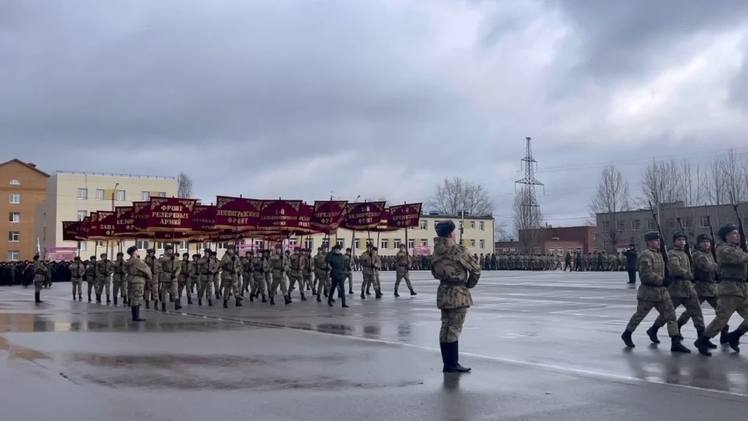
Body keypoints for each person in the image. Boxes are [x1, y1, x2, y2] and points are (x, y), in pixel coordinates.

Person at [621, 231, 690, 353]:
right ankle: (627, 334)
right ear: (648, 242)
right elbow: (646, 275)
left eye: (658, 240)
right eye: (655, 240)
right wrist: (662, 280)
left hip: (662, 292)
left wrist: (669, 277)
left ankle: (675, 342)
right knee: (639, 316)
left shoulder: (660, 255)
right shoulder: (646, 255)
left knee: (671, 315)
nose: (658, 242)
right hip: (648, 292)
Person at [431, 220, 480, 373]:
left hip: (443, 292)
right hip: (458, 293)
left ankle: (448, 363)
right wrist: (469, 285)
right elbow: (476, 270)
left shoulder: (437, 250)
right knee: (454, 328)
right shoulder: (458, 250)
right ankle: (453, 364)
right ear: (451, 233)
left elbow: (434, 271)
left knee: (445, 327)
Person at [695, 224, 748, 356]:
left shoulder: (738, 249)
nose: (737, 235)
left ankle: (735, 336)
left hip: (741, 288)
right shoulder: (722, 249)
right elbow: (739, 258)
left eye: (737, 233)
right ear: (726, 236)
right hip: (729, 288)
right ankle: (703, 340)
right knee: (722, 318)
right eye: (734, 233)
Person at [646, 232, 704, 345]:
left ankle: (701, 337)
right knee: (667, 314)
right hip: (676, 289)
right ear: (674, 242)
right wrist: (690, 275)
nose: (682, 242)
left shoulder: (686, 254)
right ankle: (654, 329)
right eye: (679, 240)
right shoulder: (672, 254)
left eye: (683, 240)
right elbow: (675, 270)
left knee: (697, 312)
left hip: (688, 289)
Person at [678, 234, 728, 346]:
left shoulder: (710, 253)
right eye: (703, 242)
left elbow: (714, 269)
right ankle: (678, 325)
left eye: (708, 242)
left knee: (722, 311)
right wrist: (719, 265)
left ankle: (724, 334)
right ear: (698, 243)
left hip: (711, 287)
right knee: (692, 311)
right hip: (700, 287)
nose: (706, 244)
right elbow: (707, 266)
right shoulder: (696, 254)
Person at [126, 245, 151, 322]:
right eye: (137, 250)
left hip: (131, 280)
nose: (138, 251)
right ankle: (136, 317)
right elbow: (146, 269)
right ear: (134, 252)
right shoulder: (137, 260)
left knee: (134, 298)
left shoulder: (129, 260)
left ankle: (135, 316)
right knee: (137, 298)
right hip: (138, 280)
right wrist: (149, 277)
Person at [158, 244, 181, 311]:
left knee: (175, 290)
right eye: (168, 250)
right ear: (166, 251)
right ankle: (163, 305)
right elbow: (160, 260)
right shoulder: (163, 256)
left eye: (171, 250)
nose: (170, 251)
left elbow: (179, 268)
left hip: (173, 276)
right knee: (164, 293)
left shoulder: (176, 258)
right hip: (166, 276)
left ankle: (177, 304)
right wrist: (169, 258)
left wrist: (176, 274)